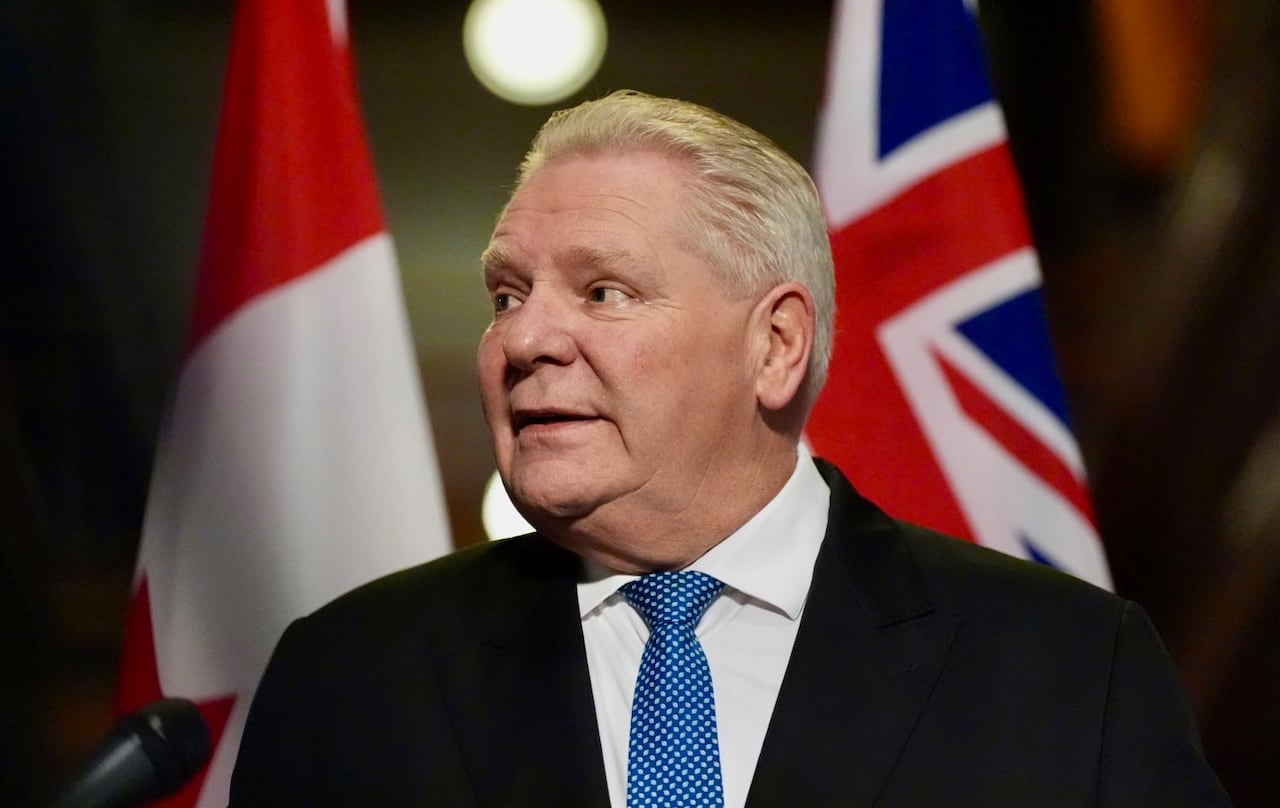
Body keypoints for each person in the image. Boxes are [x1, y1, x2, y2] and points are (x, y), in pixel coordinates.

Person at [229, 90, 1230, 806]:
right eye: (505, 294)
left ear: (775, 344)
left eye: (601, 290)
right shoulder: (355, 679)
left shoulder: (1062, 671)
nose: (524, 339)